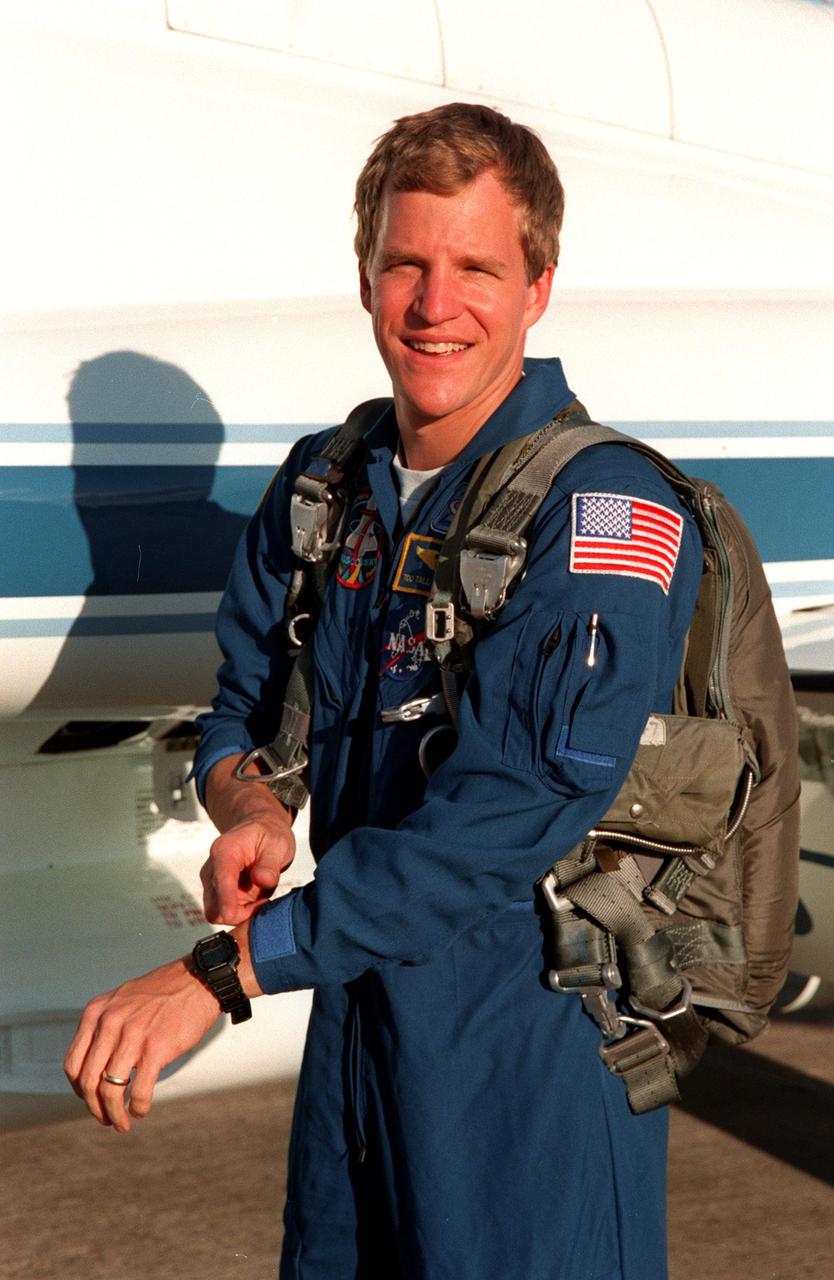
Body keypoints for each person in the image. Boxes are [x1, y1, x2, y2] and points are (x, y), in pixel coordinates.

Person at [66, 103, 703, 1279]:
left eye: (477, 269)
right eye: (406, 263)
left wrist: (226, 968)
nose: (433, 303)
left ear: (538, 287)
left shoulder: (603, 514)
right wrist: (252, 806)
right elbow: (242, 707)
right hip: (358, 1022)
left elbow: (505, 814)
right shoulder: (327, 487)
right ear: (365, 276)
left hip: (530, 1046)